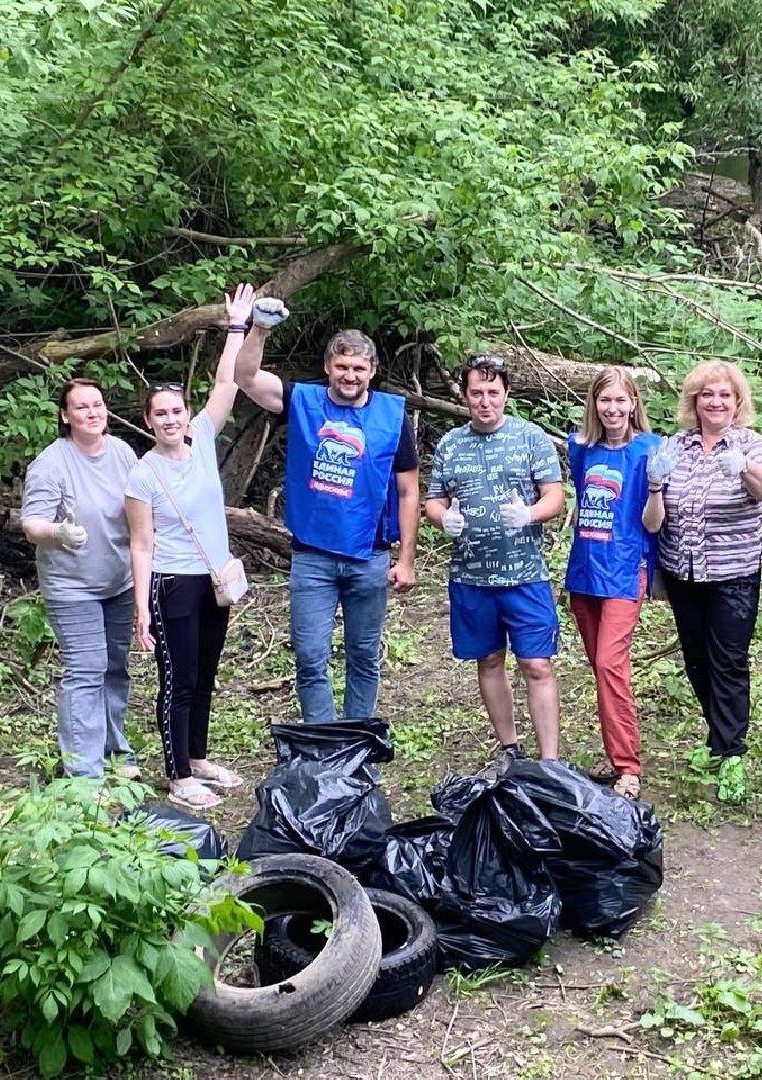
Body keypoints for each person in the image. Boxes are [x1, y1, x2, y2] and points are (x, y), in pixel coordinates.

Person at [233, 316, 419, 724]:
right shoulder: (303, 401)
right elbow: (245, 377)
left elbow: (408, 491)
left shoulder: (392, 416)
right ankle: (322, 741)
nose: (350, 375)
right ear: (327, 367)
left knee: (364, 655)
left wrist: (406, 559)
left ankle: (356, 738)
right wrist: (259, 329)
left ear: (372, 371)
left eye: (359, 368)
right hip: (312, 554)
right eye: (342, 366)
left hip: (369, 555)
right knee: (310, 655)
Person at [125, 284, 267, 811]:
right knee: (178, 679)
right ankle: (178, 773)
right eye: (160, 414)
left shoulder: (203, 438)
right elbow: (141, 544)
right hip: (173, 584)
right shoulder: (143, 474)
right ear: (148, 421)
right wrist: (142, 607)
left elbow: (226, 382)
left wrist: (237, 327)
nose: (170, 420)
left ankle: (199, 756)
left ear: (187, 414)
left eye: (176, 411)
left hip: (214, 581)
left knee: (205, 672)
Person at [644, 361, 762, 804]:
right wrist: (655, 485)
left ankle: (732, 752)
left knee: (729, 661)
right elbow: (656, 518)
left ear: (737, 402)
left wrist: (743, 468)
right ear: (694, 401)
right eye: (707, 394)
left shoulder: (751, 444)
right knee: (696, 660)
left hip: (733, 574)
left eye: (724, 395)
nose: (715, 402)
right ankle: (718, 738)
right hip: (683, 572)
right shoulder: (675, 446)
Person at [425, 355, 565, 765]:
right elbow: (433, 500)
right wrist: (443, 518)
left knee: (536, 664)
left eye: (493, 392)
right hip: (471, 577)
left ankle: (549, 761)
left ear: (506, 393)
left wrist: (530, 514)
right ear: (464, 395)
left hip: (525, 574)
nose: (485, 401)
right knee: (488, 659)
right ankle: (509, 749)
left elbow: (554, 496)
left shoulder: (531, 437)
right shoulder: (451, 444)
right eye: (476, 393)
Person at [20, 379, 140, 781]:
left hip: (120, 581)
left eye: (98, 404)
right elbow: (32, 525)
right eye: (82, 407)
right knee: (87, 669)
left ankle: (114, 751)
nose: (92, 413)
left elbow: (142, 507)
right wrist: (58, 532)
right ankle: (84, 772)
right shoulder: (51, 463)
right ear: (65, 416)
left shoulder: (122, 452)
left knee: (115, 668)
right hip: (72, 588)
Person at [566, 368, 660, 800]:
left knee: (609, 663)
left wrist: (656, 489)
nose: (613, 408)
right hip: (585, 570)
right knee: (601, 667)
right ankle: (614, 751)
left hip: (625, 570)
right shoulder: (580, 447)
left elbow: (654, 522)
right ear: (594, 404)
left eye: (621, 400)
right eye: (605, 400)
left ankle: (628, 766)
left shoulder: (649, 450)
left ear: (634, 403)